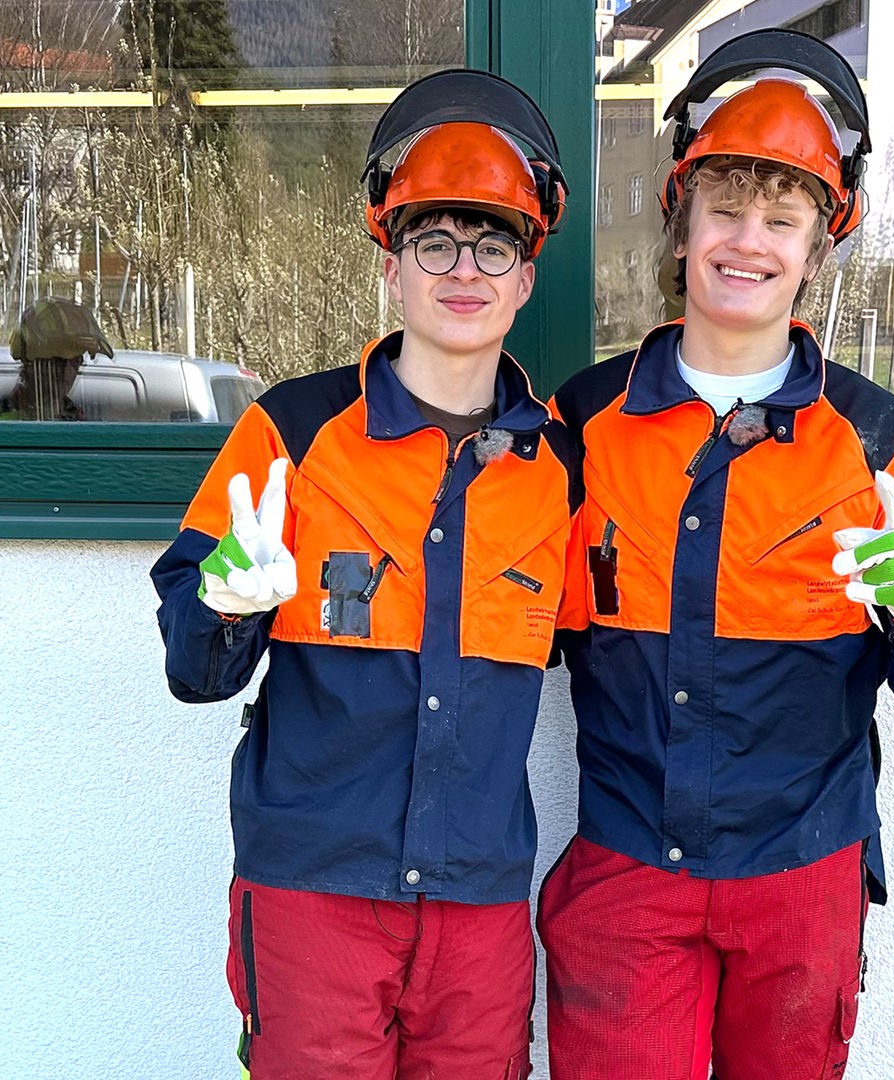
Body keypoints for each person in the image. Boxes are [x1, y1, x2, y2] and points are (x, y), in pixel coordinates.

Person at [539, 29, 894, 1079]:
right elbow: (506, 630)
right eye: (727, 210)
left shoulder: (882, 443)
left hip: (802, 880)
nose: (749, 241)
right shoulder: (581, 428)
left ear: (818, 243)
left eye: (782, 219)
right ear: (681, 218)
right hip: (626, 875)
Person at [150, 69, 578, 1079]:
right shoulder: (292, 434)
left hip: (476, 906)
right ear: (391, 261)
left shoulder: (561, 470)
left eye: (494, 242)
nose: (462, 269)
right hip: (313, 897)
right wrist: (223, 604)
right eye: (435, 239)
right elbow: (193, 669)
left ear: (526, 274)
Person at [0, 298, 114, 420]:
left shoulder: (76, 418)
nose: (66, 372)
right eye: (58, 361)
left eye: (74, 362)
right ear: (30, 364)